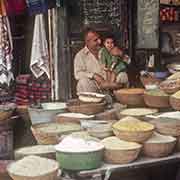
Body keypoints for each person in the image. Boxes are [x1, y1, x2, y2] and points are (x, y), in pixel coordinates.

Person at [74, 27, 128, 93]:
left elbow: (128, 61)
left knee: (123, 75)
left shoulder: (107, 49)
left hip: (113, 85)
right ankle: (94, 102)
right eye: (95, 40)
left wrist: (121, 54)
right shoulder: (80, 55)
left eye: (99, 38)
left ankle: (118, 98)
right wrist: (94, 75)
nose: (99, 41)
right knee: (82, 82)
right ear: (87, 42)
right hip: (96, 88)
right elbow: (77, 74)